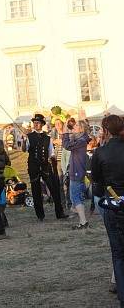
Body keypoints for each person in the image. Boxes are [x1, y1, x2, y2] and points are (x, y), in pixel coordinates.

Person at [92, 114, 124, 304]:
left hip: (113, 204)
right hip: (114, 202)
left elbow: (97, 181)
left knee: (118, 253)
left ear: (104, 131)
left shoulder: (100, 153)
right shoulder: (101, 152)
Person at [22, 113, 67, 222]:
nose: (36, 125)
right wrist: (24, 140)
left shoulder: (48, 138)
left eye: (38, 123)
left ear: (42, 124)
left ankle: (59, 213)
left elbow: (51, 153)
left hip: (45, 166)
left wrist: (54, 167)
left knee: (54, 188)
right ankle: (40, 215)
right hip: (33, 166)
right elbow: (24, 149)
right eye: (35, 123)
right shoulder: (29, 136)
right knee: (36, 190)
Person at [62, 119, 91, 230]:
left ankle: (83, 222)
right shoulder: (80, 139)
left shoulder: (82, 140)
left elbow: (67, 146)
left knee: (76, 197)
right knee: (75, 198)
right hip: (76, 171)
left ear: (82, 128)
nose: (74, 126)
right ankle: (82, 220)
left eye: (77, 125)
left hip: (77, 172)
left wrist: (65, 132)